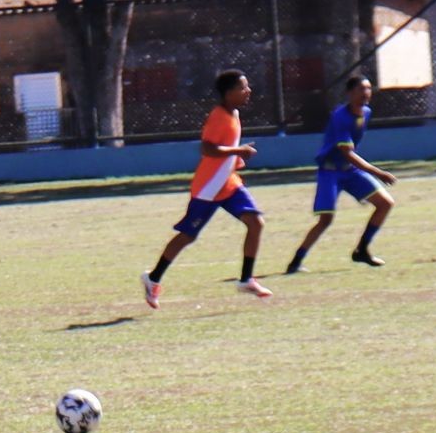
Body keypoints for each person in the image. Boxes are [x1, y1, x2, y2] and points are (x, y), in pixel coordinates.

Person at [140, 69, 273, 309]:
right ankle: (153, 278)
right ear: (229, 92)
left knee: (256, 223)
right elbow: (208, 149)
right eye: (243, 87)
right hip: (209, 188)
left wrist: (237, 158)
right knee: (187, 236)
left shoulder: (234, 113)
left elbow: (224, 149)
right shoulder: (219, 115)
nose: (248, 91)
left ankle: (246, 279)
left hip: (229, 184)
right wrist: (238, 151)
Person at [286, 76, 396, 273]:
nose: (366, 93)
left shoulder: (366, 113)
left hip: (350, 171)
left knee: (385, 203)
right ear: (350, 93)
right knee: (325, 220)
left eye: (369, 89)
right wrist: (378, 173)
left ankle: (362, 250)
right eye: (361, 89)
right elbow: (348, 153)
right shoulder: (340, 116)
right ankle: (295, 262)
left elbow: (350, 156)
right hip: (331, 172)